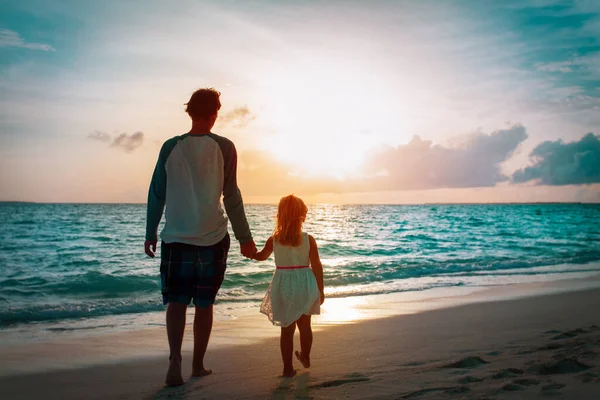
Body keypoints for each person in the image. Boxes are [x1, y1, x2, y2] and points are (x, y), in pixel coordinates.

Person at [144, 88, 257, 387]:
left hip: (175, 238)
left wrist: (150, 231)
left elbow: (157, 192)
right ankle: (197, 364)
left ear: (189, 111)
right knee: (204, 303)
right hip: (212, 238)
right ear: (215, 113)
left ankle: (174, 361)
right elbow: (231, 195)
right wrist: (245, 238)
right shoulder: (225, 147)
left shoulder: (170, 147)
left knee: (176, 303)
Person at [253, 194, 325, 377]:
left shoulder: (274, 240)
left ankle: (287, 368)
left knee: (287, 329)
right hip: (305, 283)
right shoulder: (309, 239)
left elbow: (262, 256)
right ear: (302, 216)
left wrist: (251, 252)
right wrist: (320, 290)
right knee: (305, 326)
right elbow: (316, 265)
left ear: (280, 216)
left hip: (284, 285)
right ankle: (306, 357)